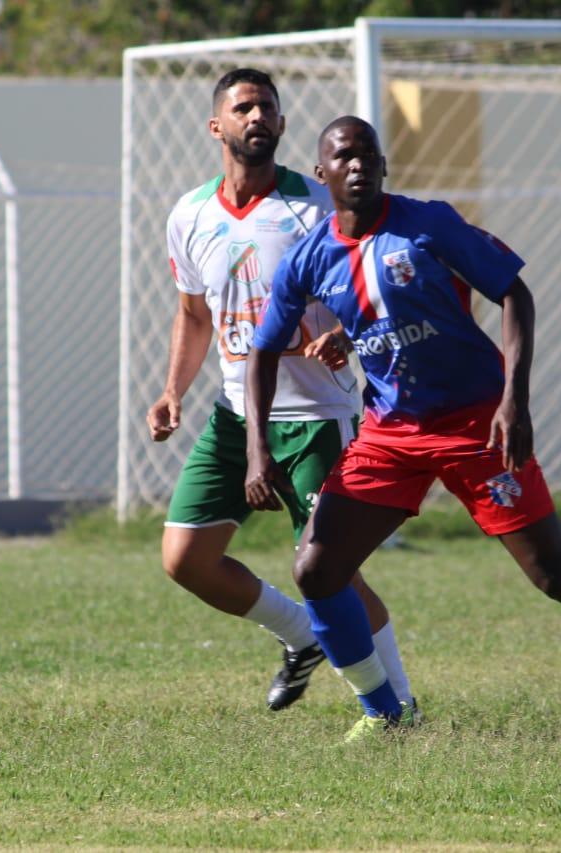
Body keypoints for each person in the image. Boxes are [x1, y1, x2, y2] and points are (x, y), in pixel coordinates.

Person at [245, 116, 561, 745]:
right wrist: (258, 450)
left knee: (557, 576)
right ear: (322, 173)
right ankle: (385, 714)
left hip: (476, 421)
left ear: (384, 166)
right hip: (391, 432)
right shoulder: (310, 257)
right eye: (343, 156)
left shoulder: (430, 224)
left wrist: (513, 401)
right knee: (316, 569)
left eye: (368, 155)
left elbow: (514, 295)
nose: (357, 165)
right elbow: (261, 351)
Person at [148, 70, 417, 714]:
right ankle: (301, 637)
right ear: (218, 126)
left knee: (335, 572)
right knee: (186, 558)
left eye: (267, 106)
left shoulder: (316, 205)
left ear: (283, 124)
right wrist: (172, 391)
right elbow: (194, 315)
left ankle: (398, 708)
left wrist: (348, 340)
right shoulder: (190, 214)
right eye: (243, 108)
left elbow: (376, 285)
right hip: (237, 415)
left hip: (318, 415)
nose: (257, 116)